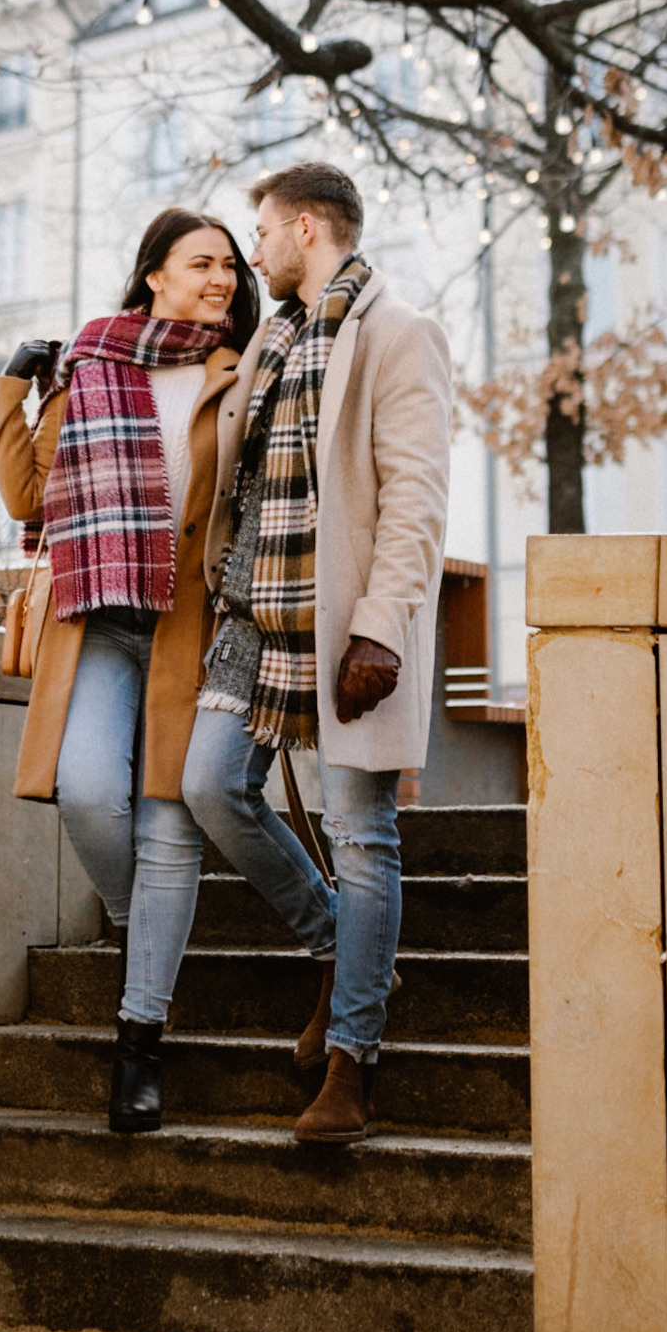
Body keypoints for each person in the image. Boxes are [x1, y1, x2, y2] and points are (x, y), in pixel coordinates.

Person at [180, 160, 452, 1145]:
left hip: (345, 619)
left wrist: (380, 624)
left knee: (360, 834)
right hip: (252, 614)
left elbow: (416, 493)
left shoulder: (397, 332)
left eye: (259, 231)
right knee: (211, 786)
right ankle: (342, 944)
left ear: (304, 227)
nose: (250, 252)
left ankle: (351, 1059)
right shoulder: (270, 336)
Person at [0, 210, 260, 1133]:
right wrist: (11, 391)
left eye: (230, 264)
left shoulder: (244, 368)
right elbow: (29, 496)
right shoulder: (92, 362)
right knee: (87, 796)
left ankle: (138, 1045)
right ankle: (134, 914)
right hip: (100, 619)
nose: (222, 278)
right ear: (154, 274)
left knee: (169, 829)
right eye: (202, 263)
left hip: (193, 624)